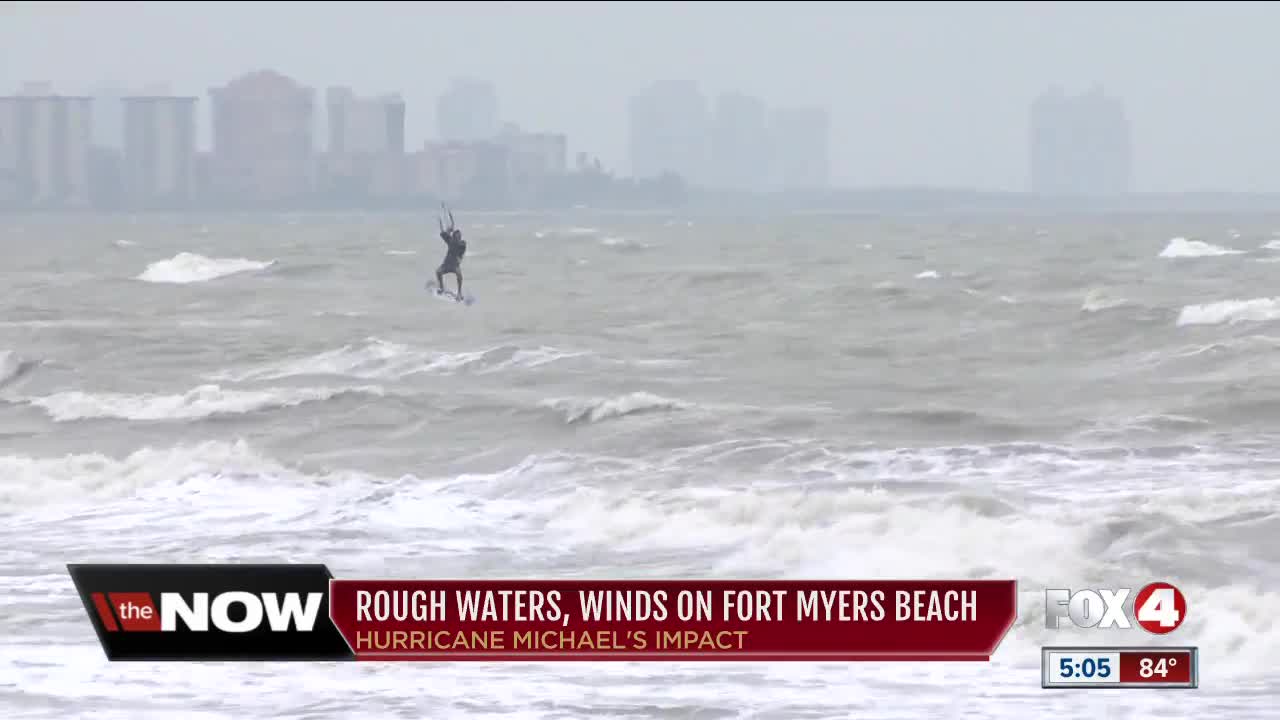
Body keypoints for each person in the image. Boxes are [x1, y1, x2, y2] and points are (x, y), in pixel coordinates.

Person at [435, 225, 467, 300]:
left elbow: (462, 249)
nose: (458, 238)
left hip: (455, 265)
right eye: (457, 237)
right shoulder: (450, 240)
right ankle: (441, 288)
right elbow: (442, 233)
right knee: (438, 272)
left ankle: (459, 293)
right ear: (454, 237)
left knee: (459, 276)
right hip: (446, 264)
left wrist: (460, 258)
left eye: (459, 236)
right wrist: (448, 230)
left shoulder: (462, 243)